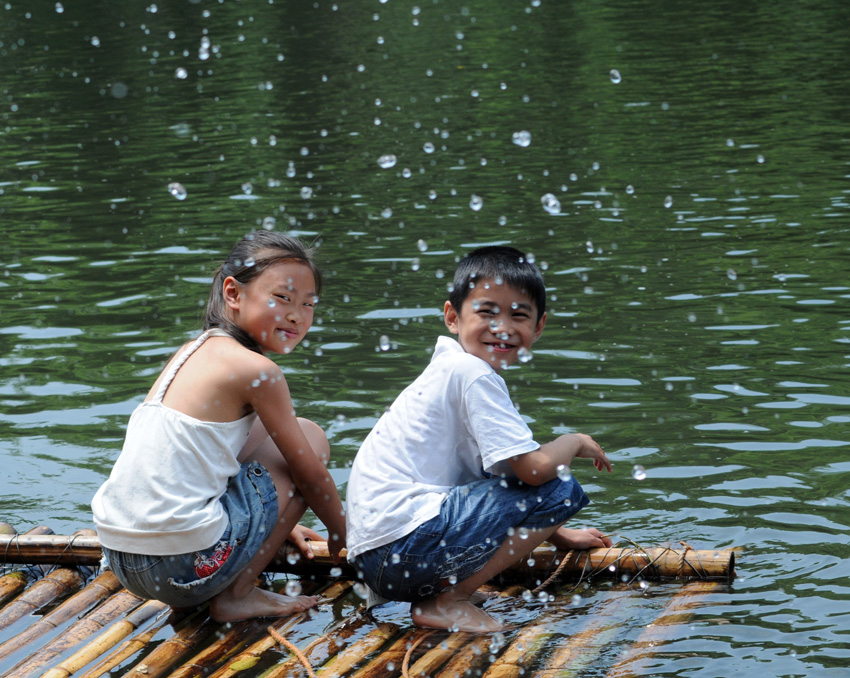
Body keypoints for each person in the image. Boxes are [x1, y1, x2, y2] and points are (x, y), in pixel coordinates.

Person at [345, 245, 613, 633]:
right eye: (487, 312)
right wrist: (574, 441)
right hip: (402, 551)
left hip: (380, 560)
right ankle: (446, 601)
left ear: (538, 327)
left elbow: (508, 476)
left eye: (518, 316)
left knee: (537, 478)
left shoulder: (452, 368)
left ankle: (449, 592)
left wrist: (560, 535)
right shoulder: (473, 374)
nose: (502, 327)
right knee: (560, 486)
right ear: (453, 317)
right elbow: (537, 472)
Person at [92, 231, 346, 622]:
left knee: (276, 436)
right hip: (179, 569)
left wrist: (273, 524)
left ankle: (238, 554)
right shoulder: (259, 370)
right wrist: (343, 533)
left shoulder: (193, 351)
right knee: (310, 439)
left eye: (308, 304)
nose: (297, 315)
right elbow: (309, 475)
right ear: (233, 293)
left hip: (121, 559)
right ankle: (238, 594)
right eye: (282, 298)